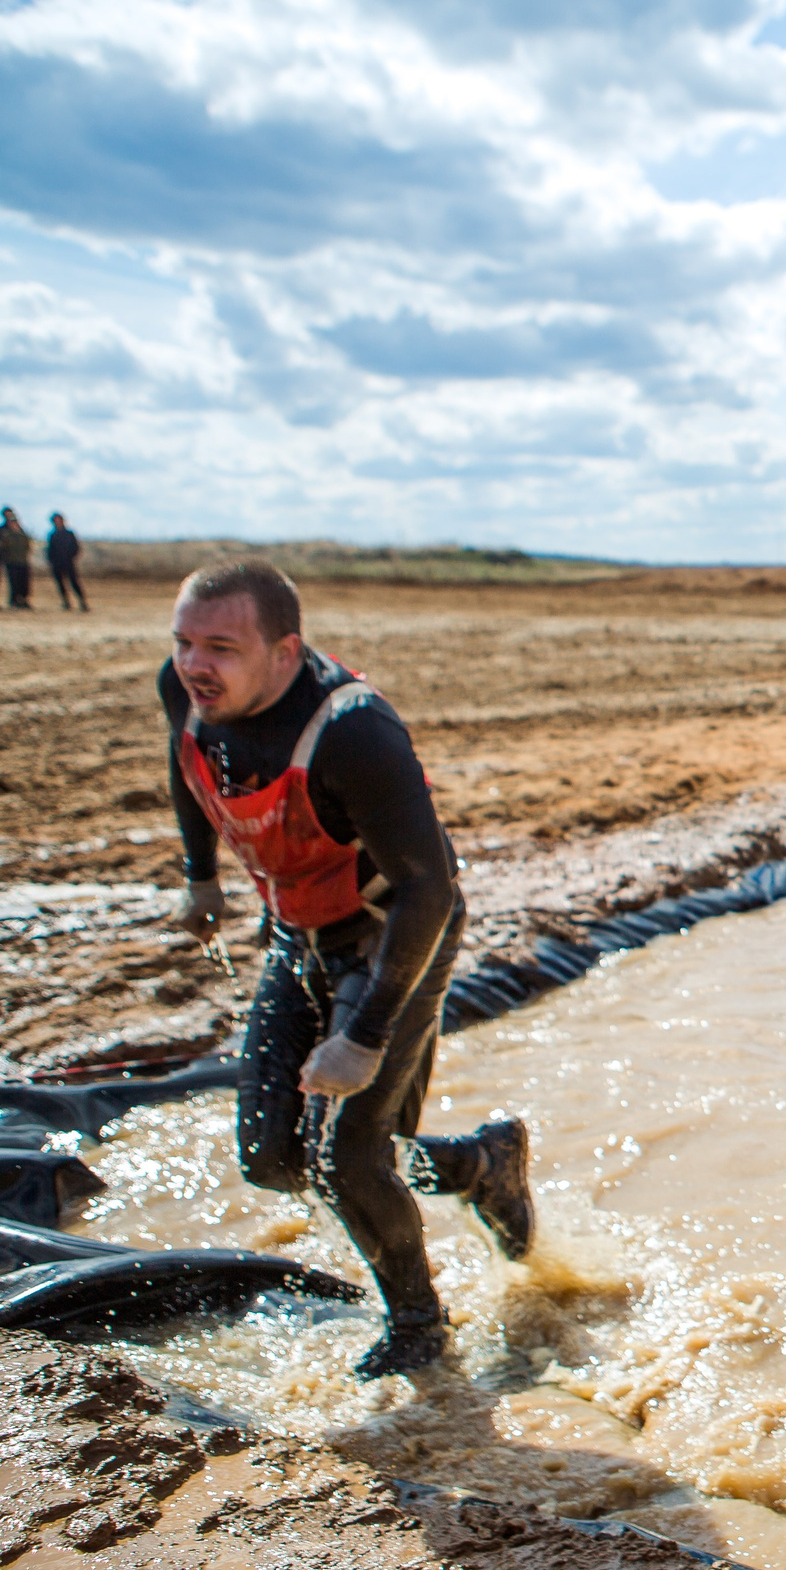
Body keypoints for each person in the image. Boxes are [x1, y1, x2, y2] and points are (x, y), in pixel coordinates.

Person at [162, 559, 533, 1379]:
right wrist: (201, 877)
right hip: (299, 930)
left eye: (221, 646)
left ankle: (419, 1329)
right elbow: (184, 761)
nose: (195, 665)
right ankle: (479, 1162)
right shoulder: (191, 692)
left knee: (350, 1157)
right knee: (273, 1156)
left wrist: (364, 1034)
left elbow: (429, 890)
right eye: (185, 642)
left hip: (396, 933)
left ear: (286, 650)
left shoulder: (355, 731)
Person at [45, 512, 86, 613]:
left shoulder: (69, 534)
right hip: (57, 564)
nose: (57, 522)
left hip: (68, 563)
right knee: (61, 584)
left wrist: (71, 557)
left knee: (74, 583)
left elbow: (76, 547)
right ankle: (66, 602)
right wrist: (51, 560)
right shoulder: (52, 535)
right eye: (55, 520)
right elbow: (50, 549)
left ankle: (82, 602)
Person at [0, 508, 33, 610]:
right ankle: (14, 601)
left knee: (24, 582)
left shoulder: (22, 532)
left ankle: (23, 600)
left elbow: (27, 544)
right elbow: (2, 546)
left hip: (23, 561)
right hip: (11, 561)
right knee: (14, 582)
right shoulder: (3, 531)